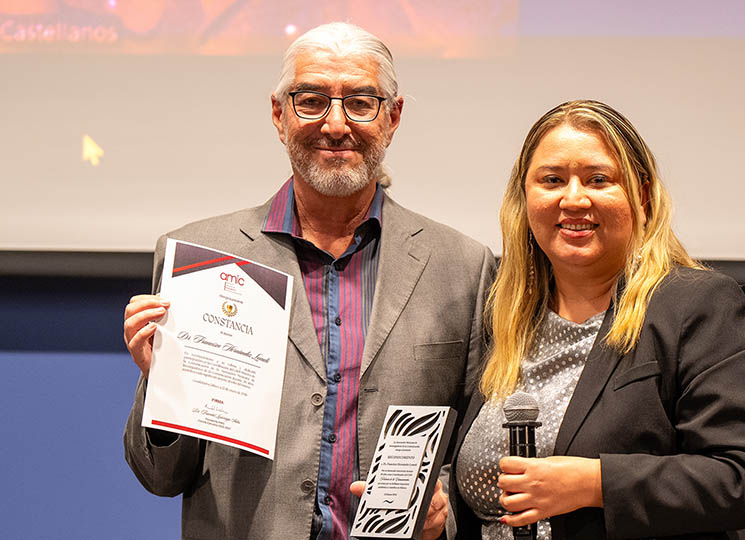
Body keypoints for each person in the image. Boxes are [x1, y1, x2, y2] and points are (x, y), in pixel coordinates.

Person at [122, 22, 495, 540]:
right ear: (279, 115)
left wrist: (445, 514)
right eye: (312, 101)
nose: (336, 124)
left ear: (393, 118)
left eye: (361, 103)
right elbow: (161, 477)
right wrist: (164, 384)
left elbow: (478, 456)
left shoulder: (463, 268)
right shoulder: (202, 260)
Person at [449, 100, 745, 540]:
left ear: (641, 196)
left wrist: (596, 484)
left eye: (598, 179)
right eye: (552, 180)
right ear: (524, 198)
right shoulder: (504, 316)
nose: (573, 199)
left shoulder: (696, 305)